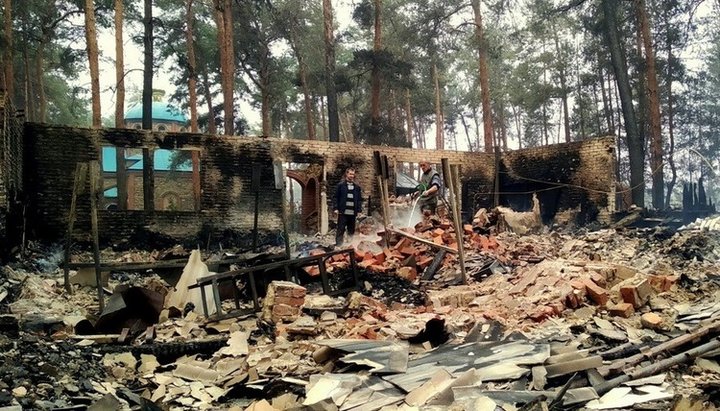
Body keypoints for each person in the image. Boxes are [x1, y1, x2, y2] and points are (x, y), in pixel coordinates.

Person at [334, 167, 362, 246]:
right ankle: (339, 245)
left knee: (351, 230)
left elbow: (359, 199)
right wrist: (336, 208)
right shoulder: (341, 186)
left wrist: (359, 210)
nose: (351, 176)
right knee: (341, 229)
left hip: (352, 213)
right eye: (350, 174)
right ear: (346, 174)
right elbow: (335, 197)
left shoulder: (357, 187)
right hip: (343, 212)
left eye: (353, 174)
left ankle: (349, 245)